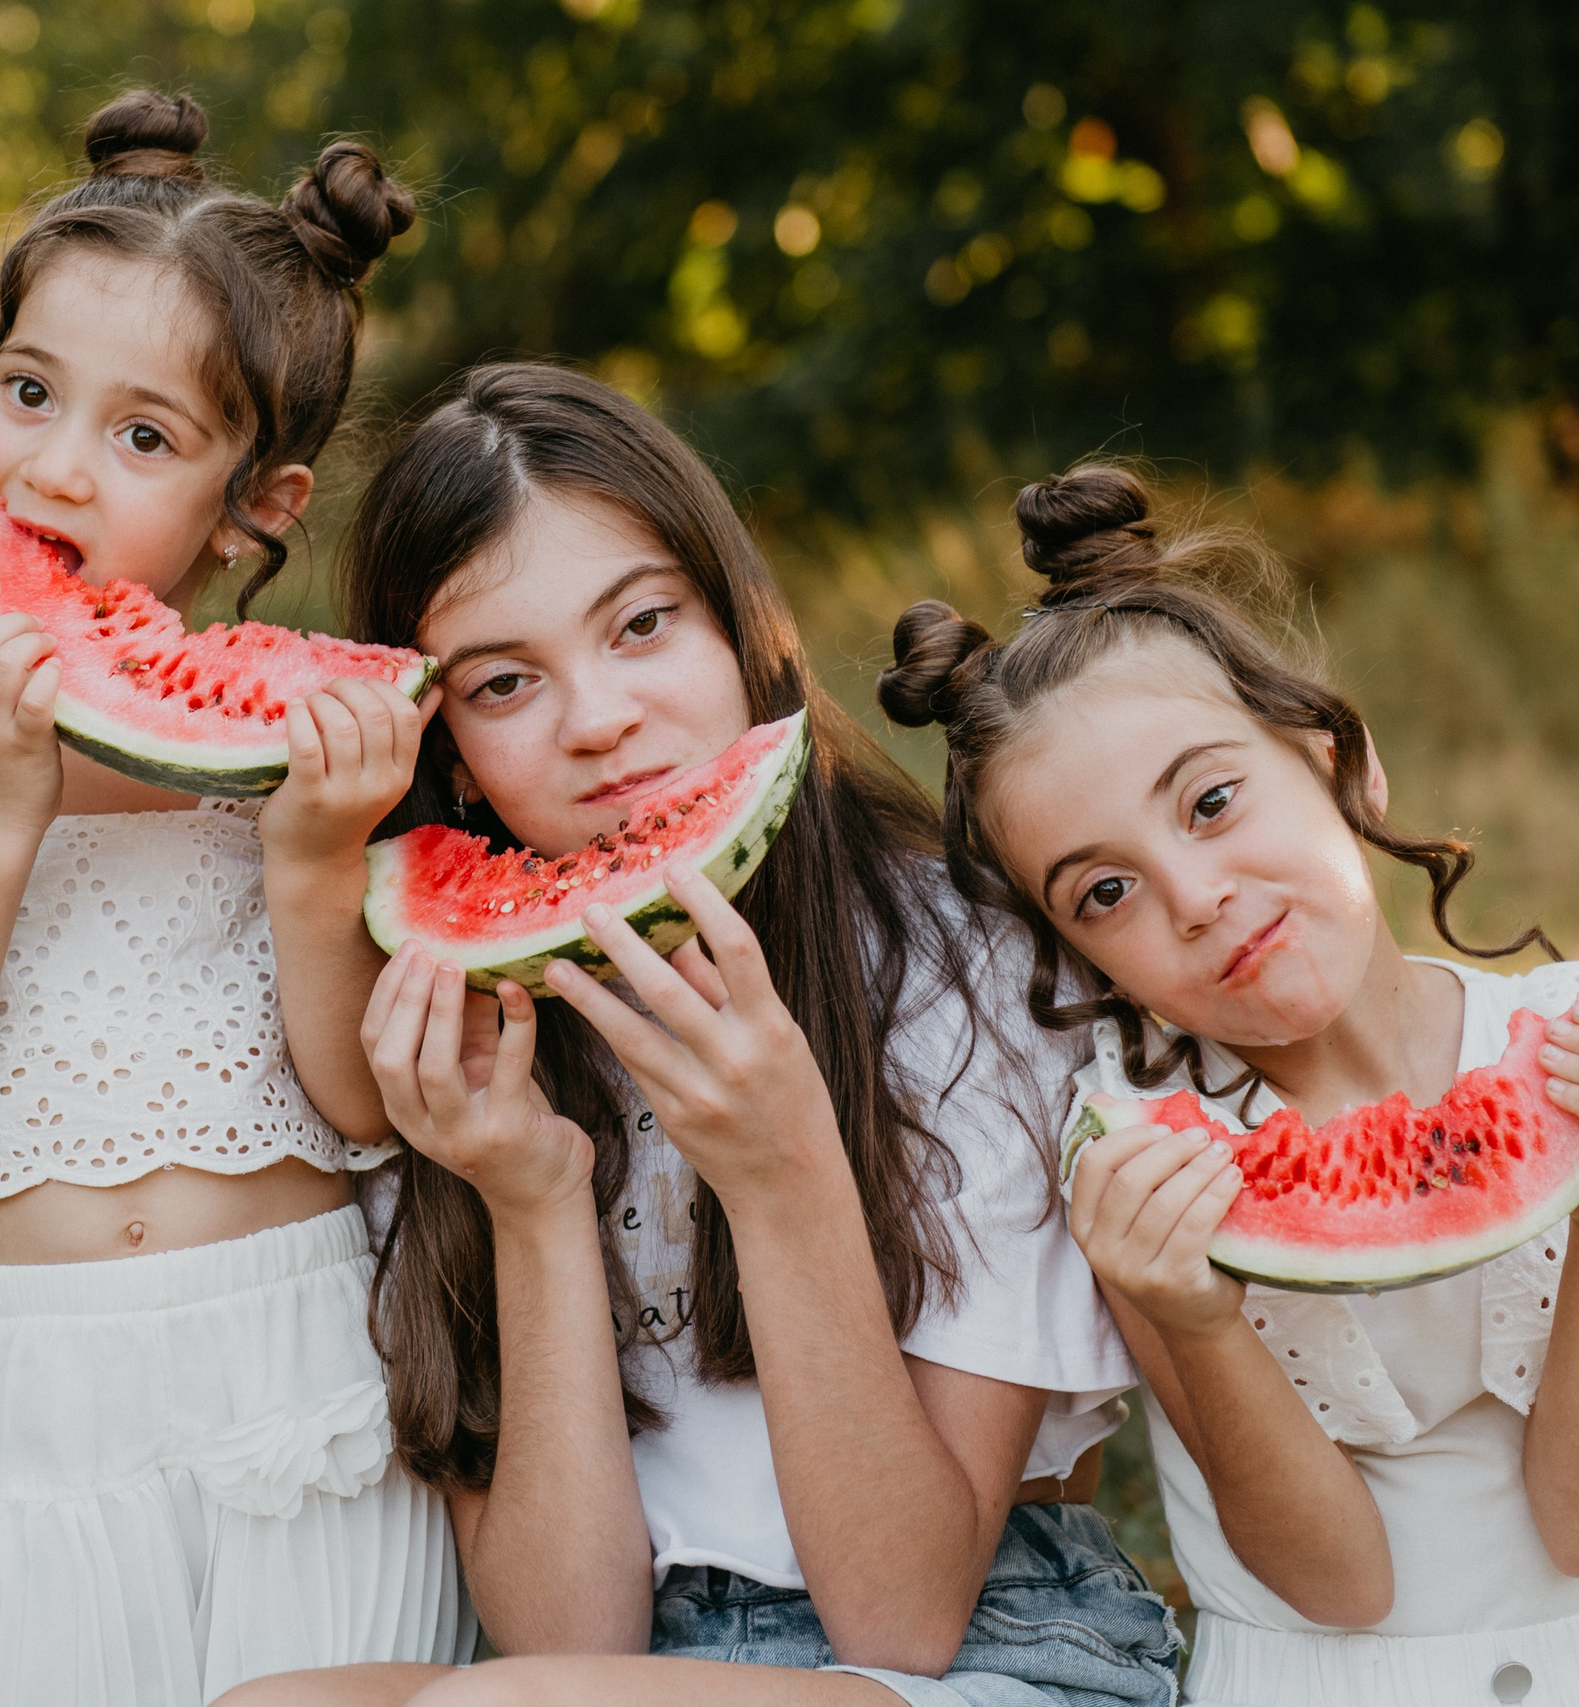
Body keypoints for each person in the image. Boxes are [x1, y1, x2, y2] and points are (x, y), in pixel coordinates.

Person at [231, 364, 1180, 1707]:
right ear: (446, 754)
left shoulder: (957, 963)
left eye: (641, 625)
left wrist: (783, 1166)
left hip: (993, 1654)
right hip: (636, 1671)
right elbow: (570, 1630)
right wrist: (532, 1194)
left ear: (739, 622)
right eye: (505, 683)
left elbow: (903, 1613)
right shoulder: (458, 1016)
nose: (599, 719)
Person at [0, 89, 470, 1707]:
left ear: (261, 509)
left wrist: (315, 862)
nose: (60, 468)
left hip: (308, 1415)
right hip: (20, 1431)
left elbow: (374, 1115)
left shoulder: (327, 748)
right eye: (30, 391)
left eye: (145, 434)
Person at [877, 464, 1579, 1707]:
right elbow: (1336, 1583)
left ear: (1339, 760)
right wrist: (1190, 1316)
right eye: (1105, 892)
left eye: (1212, 801)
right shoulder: (1142, 1166)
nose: (1196, 898)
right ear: (1091, 966)